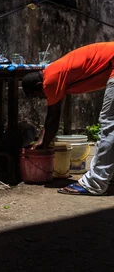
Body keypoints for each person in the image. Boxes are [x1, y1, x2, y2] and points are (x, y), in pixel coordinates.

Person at [21, 41, 114, 195]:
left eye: (38, 96)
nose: (42, 98)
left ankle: (94, 183)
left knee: (109, 125)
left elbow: (53, 117)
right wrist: (42, 140)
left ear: (39, 85)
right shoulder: (56, 73)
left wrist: (42, 143)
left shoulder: (50, 80)